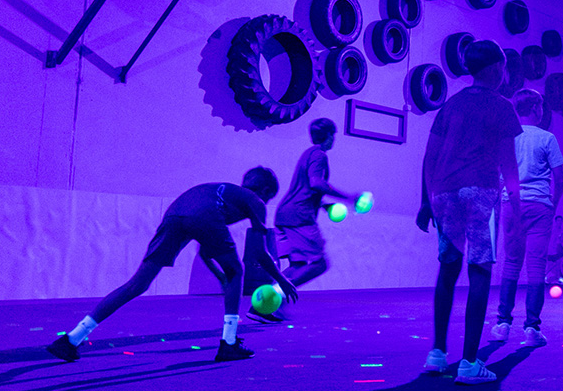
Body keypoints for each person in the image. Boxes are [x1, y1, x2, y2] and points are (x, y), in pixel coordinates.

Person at [47, 168, 298, 363]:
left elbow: (204, 247)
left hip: (176, 212)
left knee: (138, 283)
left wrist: (219, 276)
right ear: (264, 190)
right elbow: (258, 253)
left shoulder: (223, 193)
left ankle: (72, 339)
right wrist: (282, 279)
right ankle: (229, 343)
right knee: (237, 271)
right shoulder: (254, 200)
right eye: (269, 196)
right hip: (205, 216)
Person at [419, 40, 522, 385]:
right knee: (480, 270)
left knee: (448, 268)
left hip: (444, 192)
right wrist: (517, 204)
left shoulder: (450, 105)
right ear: (496, 68)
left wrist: (424, 201)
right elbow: (508, 160)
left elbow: (429, 156)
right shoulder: (502, 105)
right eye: (504, 67)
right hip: (480, 190)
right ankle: (468, 362)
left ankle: (437, 353)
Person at [266, 117, 360, 322]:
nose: (334, 139)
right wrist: (349, 197)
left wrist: (324, 205)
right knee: (319, 264)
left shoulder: (307, 154)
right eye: (333, 135)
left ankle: (266, 306)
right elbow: (316, 183)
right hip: (300, 217)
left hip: (284, 214)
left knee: (298, 265)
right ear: (329, 136)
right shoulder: (319, 155)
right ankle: (271, 297)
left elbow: (306, 188)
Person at [491, 89, 563, 348]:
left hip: (511, 205)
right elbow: (560, 177)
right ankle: (532, 328)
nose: (543, 110)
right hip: (539, 207)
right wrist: (552, 204)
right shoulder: (547, 138)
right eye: (542, 106)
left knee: (511, 263)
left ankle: (502, 324)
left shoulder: (506, 137)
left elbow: (499, 173)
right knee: (536, 266)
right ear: (535, 108)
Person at [544, 215, 563, 286]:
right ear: (555, 221)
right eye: (558, 221)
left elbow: (562, 242)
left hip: (558, 249)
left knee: (559, 264)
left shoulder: (562, 231)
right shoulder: (551, 230)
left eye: (560, 221)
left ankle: (558, 278)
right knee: (549, 265)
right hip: (551, 250)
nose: (559, 222)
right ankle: (545, 278)